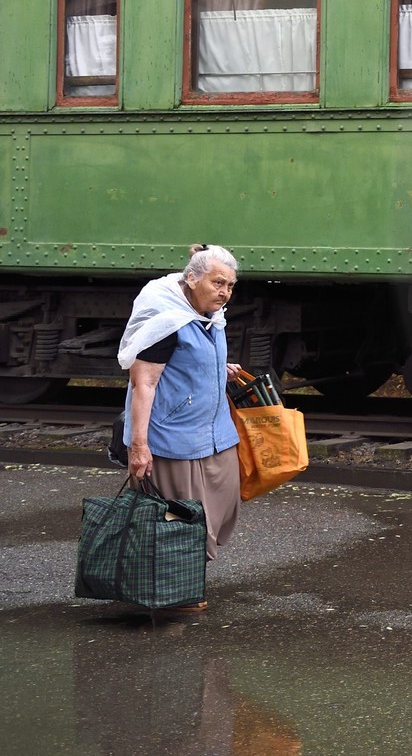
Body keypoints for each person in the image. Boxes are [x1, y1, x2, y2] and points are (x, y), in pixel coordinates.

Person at [115, 244, 243, 610]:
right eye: (218, 282)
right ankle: (173, 589)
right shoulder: (166, 321)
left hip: (214, 436)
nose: (225, 292)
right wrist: (139, 446)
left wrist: (219, 366)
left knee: (217, 508)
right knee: (177, 518)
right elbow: (144, 384)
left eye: (231, 285)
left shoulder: (209, 317)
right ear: (192, 279)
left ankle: (180, 578)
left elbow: (189, 358)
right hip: (173, 440)